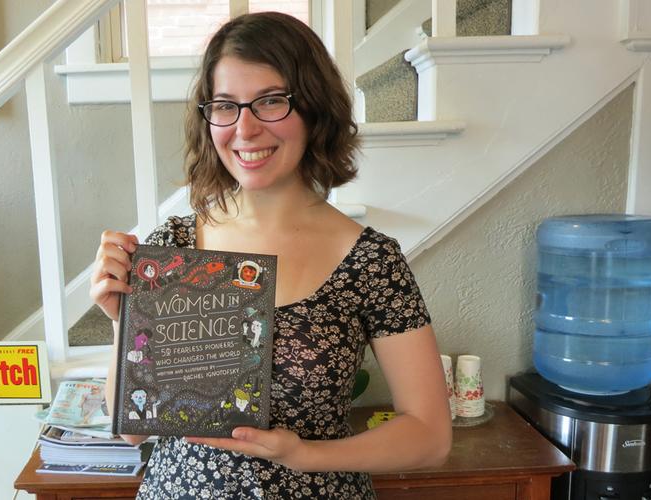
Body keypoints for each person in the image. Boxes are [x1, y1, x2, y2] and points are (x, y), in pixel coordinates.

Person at [89, 11, 451, 499]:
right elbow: (132, 431)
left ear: (314, 108)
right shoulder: (175, 247)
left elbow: (430, 437)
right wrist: (124, 320)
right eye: (225, 106)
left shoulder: (370, 261)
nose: (245, 129)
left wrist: (304, 455)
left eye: (270, 101)